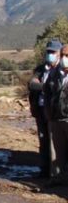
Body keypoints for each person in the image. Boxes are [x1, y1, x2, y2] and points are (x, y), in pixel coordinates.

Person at [28, 39, 62, 178]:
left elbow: (59, 88)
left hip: (57, 111)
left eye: (53, 52)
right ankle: (44, 170)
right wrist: (47, 87)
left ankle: (58, 173)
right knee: (44, 140)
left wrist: (44, 86)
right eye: (48, 52)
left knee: (57, 142)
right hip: (41, 109)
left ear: (59, 53)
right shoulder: (41, 69)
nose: (50, 54)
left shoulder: (62, 70)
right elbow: (32, 84)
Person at [43, 44, 68, 184]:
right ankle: (58, 179)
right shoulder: (54, 74)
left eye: (67, 56)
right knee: (58, 153)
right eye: (63, 55)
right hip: (56, 118)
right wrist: (48, 112)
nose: (65, 59)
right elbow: (46, 93)